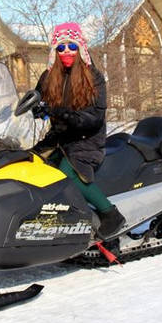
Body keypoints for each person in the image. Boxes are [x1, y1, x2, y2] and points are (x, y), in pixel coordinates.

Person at [32, 22, 126, 239]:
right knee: (33, 164)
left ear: (80, 47)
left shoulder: (93, 77)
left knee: (69, 172)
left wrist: (67, 115)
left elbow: (94, 117)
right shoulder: (48, 77)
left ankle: (110, 213)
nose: (66, 52)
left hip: (86, 140)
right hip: (58, 138)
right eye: (61, 47)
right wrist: (35, 108)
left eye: (71, 46)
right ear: (54, 51)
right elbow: (37, 100)